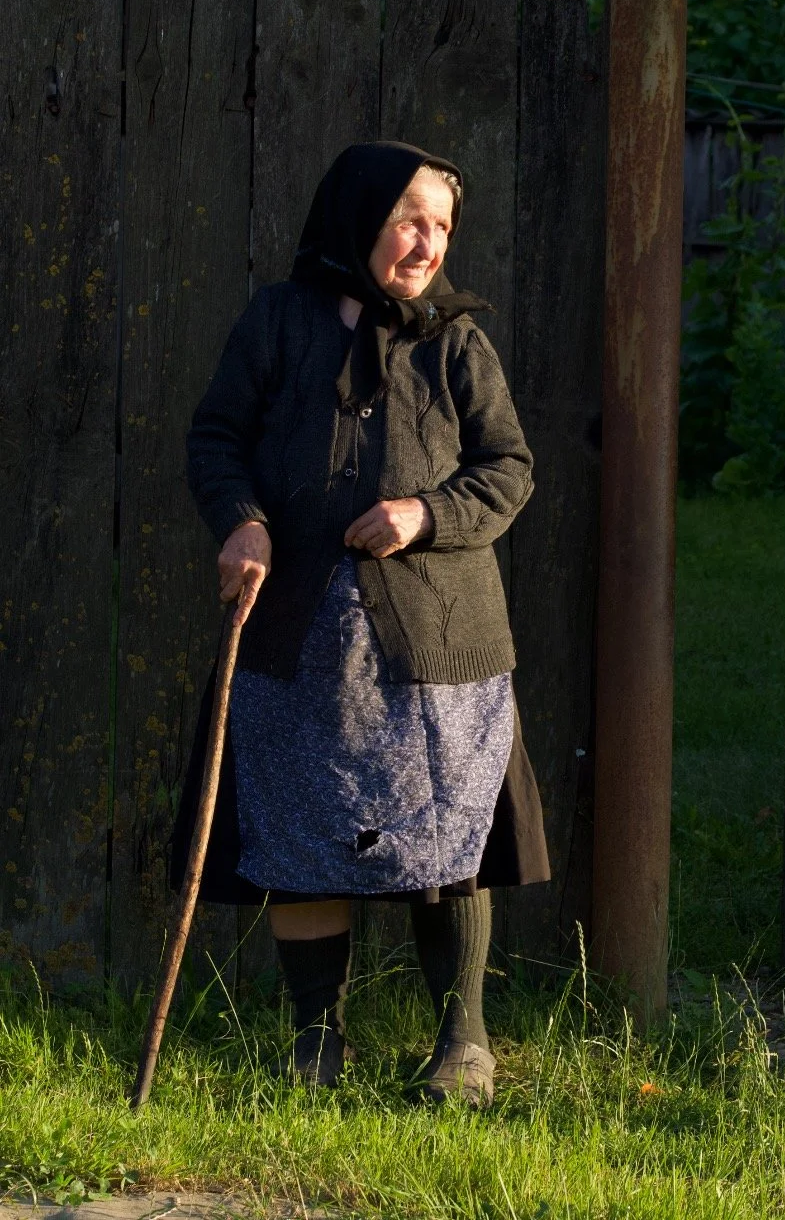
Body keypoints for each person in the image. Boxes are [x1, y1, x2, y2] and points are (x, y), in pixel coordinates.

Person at [171, 141, 550, 1108]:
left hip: (437, 637)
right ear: (360, 214)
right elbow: (217, 437)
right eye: (411, 218)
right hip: (296, 629)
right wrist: (243, 519)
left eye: (444, 227)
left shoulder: (457, 341)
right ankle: (315, 1043)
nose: (430, 243)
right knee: (302, 829)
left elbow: (508, 468)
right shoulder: (278, 323)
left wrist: (426, 514)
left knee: (446, 834)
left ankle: (463, 1044)